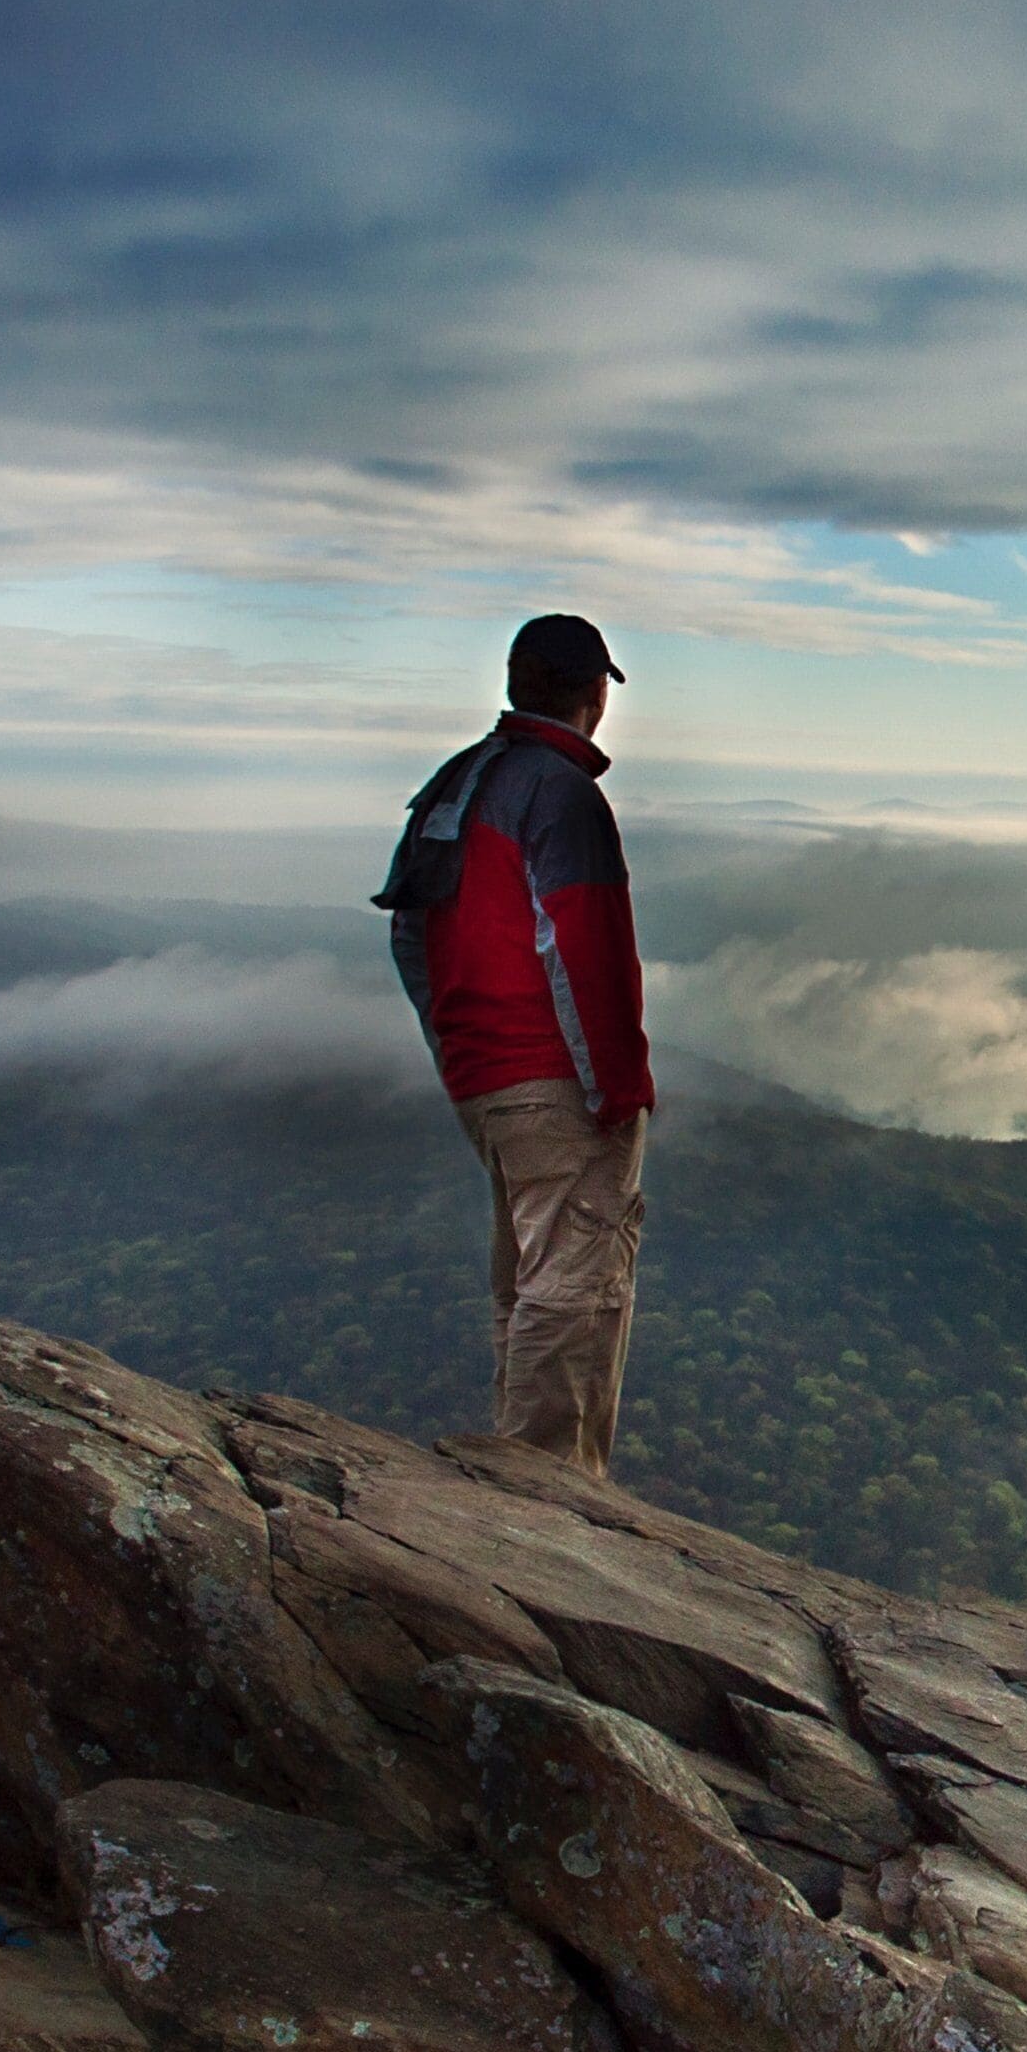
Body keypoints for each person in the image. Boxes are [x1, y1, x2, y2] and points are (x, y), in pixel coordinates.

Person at [373, 614, 654, 1475]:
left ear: (516, 678)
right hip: (555, 1079)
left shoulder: (456, 784)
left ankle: (515, 1472)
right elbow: (583, 945)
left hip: (484, 1081)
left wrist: (455, 1050)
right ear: (594, 693)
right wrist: (613, 1085)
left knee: (528, 1286)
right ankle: (547, 1492)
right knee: (575, 1284)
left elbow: (410, 936)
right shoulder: (560, 792)